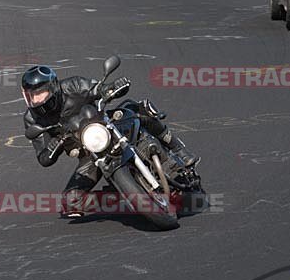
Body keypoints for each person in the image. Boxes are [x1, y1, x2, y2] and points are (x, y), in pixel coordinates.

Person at [21, 65, 197, 217]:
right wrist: (53, 147)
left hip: (106, 126)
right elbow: (43, 158)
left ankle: (177, 148)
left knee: (137, 110)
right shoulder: (32, 119)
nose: (35, 100)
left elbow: (98, 89)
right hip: (89, 151)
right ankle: (125, 198)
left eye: (39, 93)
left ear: (53, 88)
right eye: (30, 95)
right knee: (70, 201)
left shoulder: (72, 86)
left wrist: (111, 88)